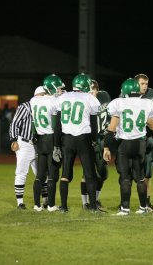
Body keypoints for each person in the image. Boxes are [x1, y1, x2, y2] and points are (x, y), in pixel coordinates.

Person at [103, 78, 153, 216]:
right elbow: (152, 126)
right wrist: (146, 134)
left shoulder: (119, 103)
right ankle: (143, 207)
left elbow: (112, 128)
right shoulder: (147, 103)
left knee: (125, 178)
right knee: (139, 177)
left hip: (125, 144)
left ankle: (125, 208)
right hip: (140, 144)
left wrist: (106, 147)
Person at [53, 72, 101, 213]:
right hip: (83, 139)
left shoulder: (63, 97)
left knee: (65, 173)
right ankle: (92, 207)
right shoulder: (90, 98)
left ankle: (63, 206)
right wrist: (94, 140)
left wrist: (56, 144)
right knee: (89, 173)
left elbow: (58, 125)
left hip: (67, 139)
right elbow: (94, 125)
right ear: (86, 85)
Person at [30, 74, 65, 212]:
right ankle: (50, 205)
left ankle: (36, 205)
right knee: (52, 175)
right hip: (51, 138)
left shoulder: (34, 100)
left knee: (40, 175)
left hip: (39, 139)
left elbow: (33, 122)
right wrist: (57, 145)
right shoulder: (55, 102)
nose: (60, 90)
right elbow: (57, 125)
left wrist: (34, 136)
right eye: (58, 88)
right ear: (52, 88)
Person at [10, 86, 45, 210]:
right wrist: (14, 139)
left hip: (37, 144)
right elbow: (15, 123)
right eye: (43, 95)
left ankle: (45, 201)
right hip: (24, 143)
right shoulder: (25, 107)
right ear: (38, 95)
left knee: (41, 173)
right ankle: (20, 202)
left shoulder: (42, 107)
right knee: (21, 172)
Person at [80, 79, 111, 211]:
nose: (92, 92)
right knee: (87, 172)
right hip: (88, 139)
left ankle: (96, 199)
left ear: (98, 90)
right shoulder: (84, 101)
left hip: (101, 139)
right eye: (89, 89)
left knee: (103, 173)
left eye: (94, 89)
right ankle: (85, 202)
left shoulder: (104, 97)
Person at [135, 73, 153, 211]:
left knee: (148, 174)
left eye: (146, 84)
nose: (145, 86)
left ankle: (147, 203)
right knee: (128, 174)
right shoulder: (127, 97)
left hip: (148, 139)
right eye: (142, 84)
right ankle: (124, 202)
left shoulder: (151, 97)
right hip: (134, 140)